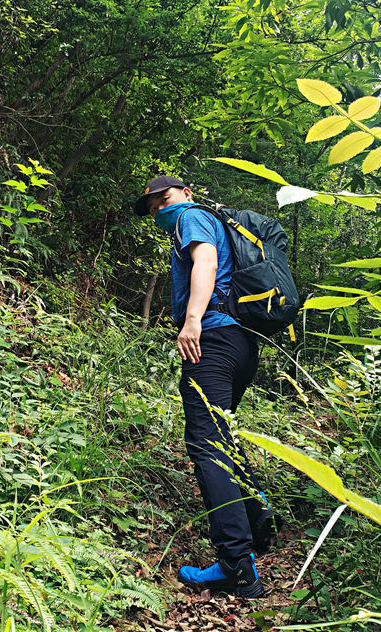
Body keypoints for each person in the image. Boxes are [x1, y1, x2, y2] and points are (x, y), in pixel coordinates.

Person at [134, 175, 273, 599]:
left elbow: (206, 262)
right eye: (154, 206)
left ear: (187, 194)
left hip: (211, 339)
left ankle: (236, 567)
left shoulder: (191, 218)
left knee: (207, 445)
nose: (160, 209)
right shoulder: (215, 222)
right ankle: (259, 525)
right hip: (241, 345)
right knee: (222, 437)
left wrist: (193, 319)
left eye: (165, 199)